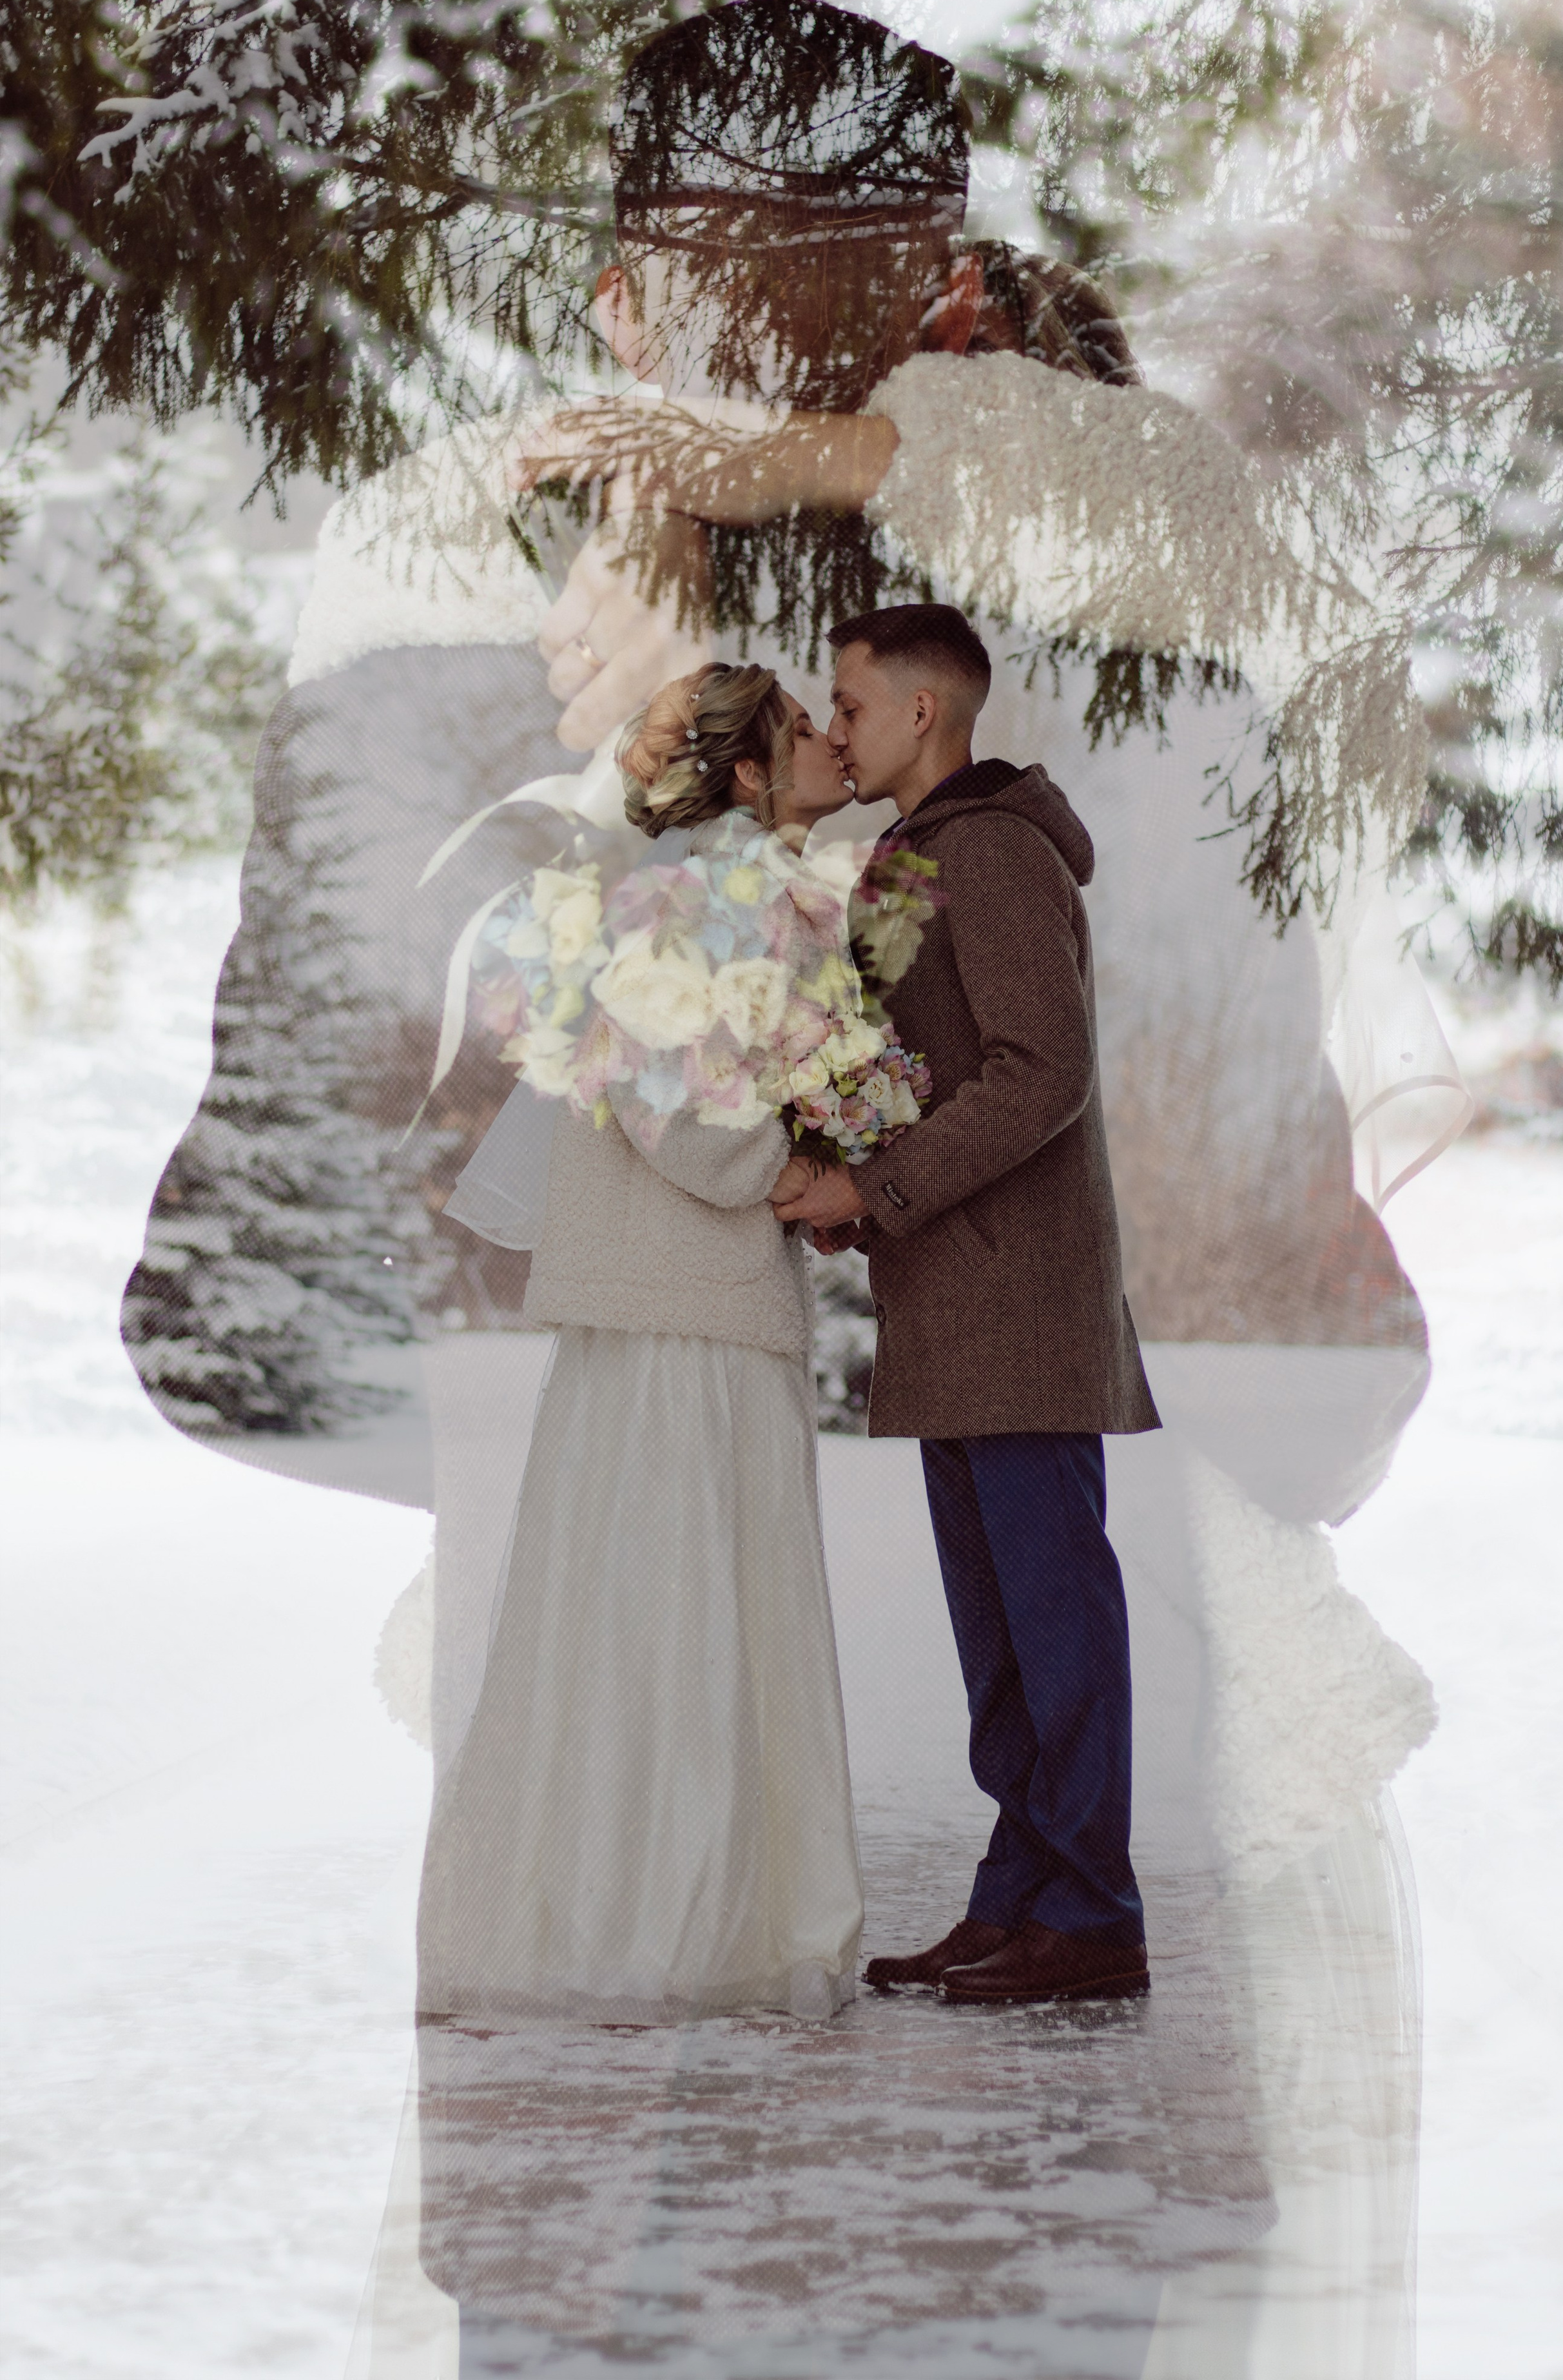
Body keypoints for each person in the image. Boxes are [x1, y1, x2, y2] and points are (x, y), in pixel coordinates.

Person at [416, 659, 866, 2027]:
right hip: (685, 1301)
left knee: (677, 1598)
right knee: (676, 1599)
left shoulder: (736, 893)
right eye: (803, 734)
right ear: (745, 775)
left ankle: (690, 1910)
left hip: (701, 1294)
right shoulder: (702, 895)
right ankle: (659, 1921)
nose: (828, 748)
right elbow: (667, 1089)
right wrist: (792, 1172)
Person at [773, 602, 1162, 2005]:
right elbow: (923, 1067)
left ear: (920, 713)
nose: (834, 727)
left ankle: (1093, 1919)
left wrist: (870, 1190)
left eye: (849, 703)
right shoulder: (916, 854)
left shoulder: (987, 854)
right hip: (956, 1297)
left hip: (1015, 1302)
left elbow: (1037, 1071)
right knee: (999, 1635)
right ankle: (1022, 1897)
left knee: (1052, 1624)